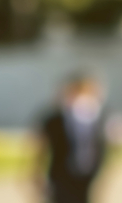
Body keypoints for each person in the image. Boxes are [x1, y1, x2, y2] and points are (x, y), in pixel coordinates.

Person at [35, 72, 108, 203]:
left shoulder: (99, 119)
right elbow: (41, 147)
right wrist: (36, 173)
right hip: (61, 176)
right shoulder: (54, 120)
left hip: (88, 176)